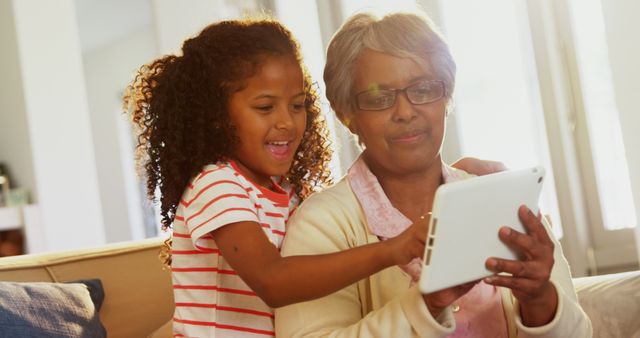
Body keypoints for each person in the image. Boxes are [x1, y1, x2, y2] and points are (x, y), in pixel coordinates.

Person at [275, 12, 592, 337]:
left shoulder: (504, 201)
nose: (405, 112)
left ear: (446, 97)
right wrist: (425, 305)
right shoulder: (320, 225)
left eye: (423, 89)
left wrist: (540, 300)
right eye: (379, 99)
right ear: (347, 116)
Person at [123, 18, 445, 337]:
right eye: (265, 107)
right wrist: (391, 250)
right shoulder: (216, 184)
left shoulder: (285, 193)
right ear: (217, 116)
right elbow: (273, 281)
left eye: (297, 105)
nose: (287, 123)